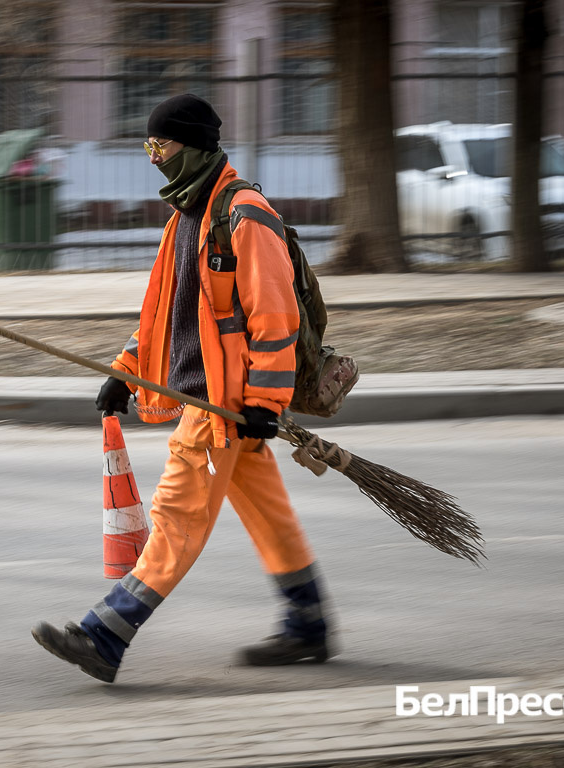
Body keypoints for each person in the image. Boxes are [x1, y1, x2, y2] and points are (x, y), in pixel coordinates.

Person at [31, 93, 333, 683]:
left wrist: (265, 404)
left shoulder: (244, 216)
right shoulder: (188, 215)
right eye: (147, 146)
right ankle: (310, 623)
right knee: (270, 517)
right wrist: (126, 371)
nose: (152, 159)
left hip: (226, 406)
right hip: (221, 399)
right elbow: (167, 316)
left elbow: (276, 320)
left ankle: (103, 636)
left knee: (175, 517)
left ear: (192, 144)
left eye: (159, 146)